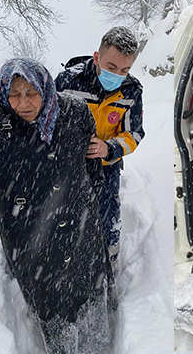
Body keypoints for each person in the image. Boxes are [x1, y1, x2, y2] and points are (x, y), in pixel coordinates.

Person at [0, 58, 112, 353]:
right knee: (50, 306)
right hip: (28, 232)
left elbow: (93, 169)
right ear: (3, 92)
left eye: (31, 92)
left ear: (45, 87)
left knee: (89, 299)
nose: (23, 102)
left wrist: (90, 206)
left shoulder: (75, 112)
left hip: (80, 223)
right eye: (14, 94)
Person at [55, 26, 145, 274]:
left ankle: (109, 265)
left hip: (106, 165)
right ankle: (68, 264)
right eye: (112, 67)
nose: (117, 75)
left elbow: (135, 134)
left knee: (108, 216)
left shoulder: (131, 91)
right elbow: (48, 124)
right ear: (97, 57)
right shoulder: (67, 82)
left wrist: (110, 147)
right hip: (69, 166)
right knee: (66, 216)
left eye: (125, 70)